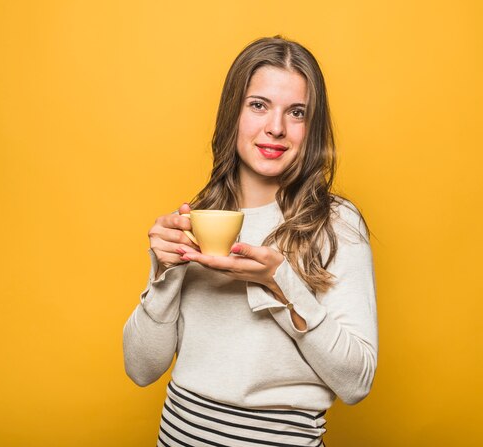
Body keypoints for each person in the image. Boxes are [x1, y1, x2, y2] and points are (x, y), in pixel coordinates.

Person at [123, 36, 378, 447]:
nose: (275, 127)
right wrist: (164, 274)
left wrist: (279, 284)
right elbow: (141, 369)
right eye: (258, 105)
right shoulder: (198, 220)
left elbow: (356, 382)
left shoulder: (336, 224)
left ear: (311, 128)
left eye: (296, 112)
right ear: (233, 114)